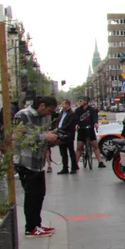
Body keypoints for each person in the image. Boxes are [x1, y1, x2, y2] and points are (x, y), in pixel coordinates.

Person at [13, 96, 60, 237]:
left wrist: (52, 139)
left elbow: (43, 137)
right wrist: (44, 137)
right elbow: (18, 138)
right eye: (49, 110)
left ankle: (37, 224)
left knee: (40, 194)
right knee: (31, 195)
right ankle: (30, 227)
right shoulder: (22, 115)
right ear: (42, 105)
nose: (49, 114)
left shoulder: (44, 118)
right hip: (26, 161)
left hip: (38, 163)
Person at [73, 96, 106, 169]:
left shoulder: (91, 110)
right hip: (81, 129)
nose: (79, 102)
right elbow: (76, 119)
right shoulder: (77, 110)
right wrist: (76, 125)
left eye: (81, 101)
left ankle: (100, 162)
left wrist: (95, 123)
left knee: (95, 145)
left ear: (85, 102)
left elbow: (94, 117)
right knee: (79, 147)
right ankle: (75, 164)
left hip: (90, 129)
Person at [55, 98, 78, 175]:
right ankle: (65, 168)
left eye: (63, 104)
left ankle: (74, 168)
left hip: (68, 135)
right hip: (60, 134)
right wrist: (56, 128)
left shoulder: (72, 113)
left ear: (68, 105)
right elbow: (58, 121)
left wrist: (60, 128)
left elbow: (70, 125)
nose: (62, 105)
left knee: (71, 152)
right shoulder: (61, 113)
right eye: (62, 104)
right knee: (63, 153)